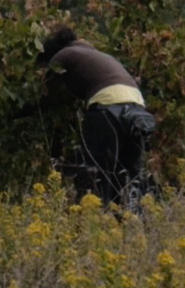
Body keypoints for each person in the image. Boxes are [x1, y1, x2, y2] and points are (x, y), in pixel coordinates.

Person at [36, 26, 159, 206]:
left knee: (97, 172)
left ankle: (96, 218)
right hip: (137, 109)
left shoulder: (62, 56)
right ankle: (128, 222)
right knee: (128, 176)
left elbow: (47, 93)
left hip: (106, 107)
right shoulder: (100, 55)